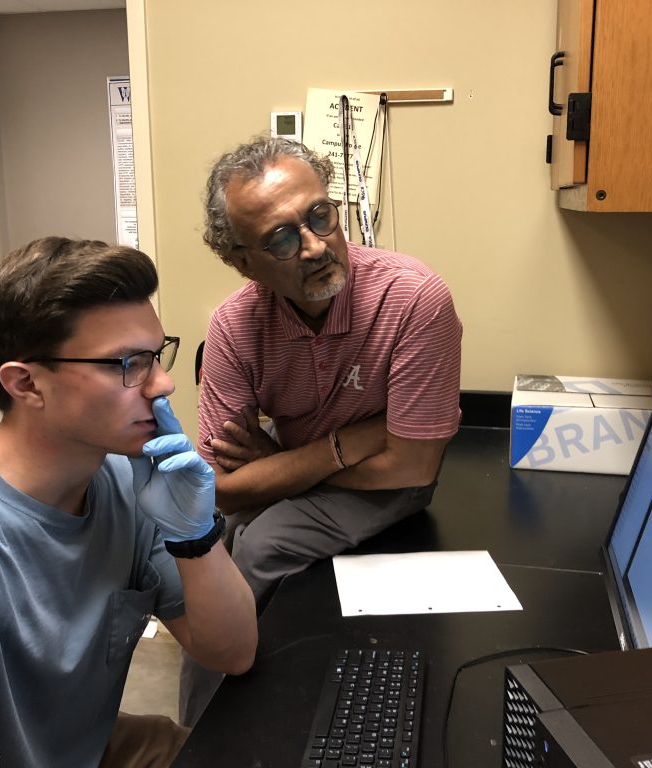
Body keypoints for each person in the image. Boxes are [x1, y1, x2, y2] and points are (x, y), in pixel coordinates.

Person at [0, 237, 257, 768]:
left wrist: (194, 535)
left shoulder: (129, 484)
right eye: (128, 364)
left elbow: (232, 653)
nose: (163, 384)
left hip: (77, 746)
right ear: (26, 384)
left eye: (157, 355)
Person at [179, 136, 462, 725]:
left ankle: (240, 723)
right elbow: (219, 487)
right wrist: (352, 439)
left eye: (319, 216)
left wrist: (277, 463)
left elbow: (413, 466)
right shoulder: (234, 324)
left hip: (387, 485)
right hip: (340, 460)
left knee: (260, 543)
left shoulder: (413, 299)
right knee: (208, 549)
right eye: (280, 238)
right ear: (242, 262)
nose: (313, 246)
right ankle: (196, 737)